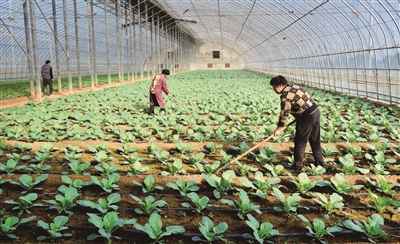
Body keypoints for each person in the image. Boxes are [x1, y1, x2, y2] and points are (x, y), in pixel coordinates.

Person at [270, 75, 324, 170]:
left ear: (281, 85)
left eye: (274, 87)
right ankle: (320, 163)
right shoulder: (293, 87)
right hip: (315, 111)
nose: (274, 90)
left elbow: (284, 113)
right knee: (315, 140)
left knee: (300, 141)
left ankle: (297, 165)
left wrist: (279, 128)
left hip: (307, 116)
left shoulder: (285, 95)